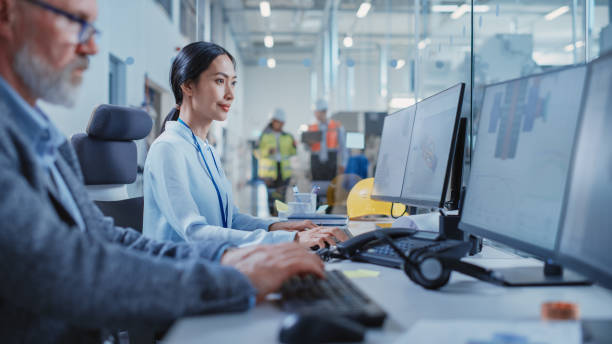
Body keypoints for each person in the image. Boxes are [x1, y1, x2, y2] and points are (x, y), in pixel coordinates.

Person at [0, 0, 325, 341]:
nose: (92, 46)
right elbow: (64, 272)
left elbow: (110, 240)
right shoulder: (167, 149)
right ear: (7, 12)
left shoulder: (48, 141)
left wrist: (234, 257)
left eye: (92, 28)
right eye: (75, 21)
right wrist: (236, 276)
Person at [143, 42, 348, 248]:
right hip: (182, 274)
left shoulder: (206, 151)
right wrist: (291, 240)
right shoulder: (168, 149)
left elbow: (231, 221)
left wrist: (280, 227)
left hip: (211, 267)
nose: (230, 94)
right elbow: (194, 233)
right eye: (220, 81)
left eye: (233, 83)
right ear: (188, 86)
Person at [255, 108, 296, 215]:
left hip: (283, 172)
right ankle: (272, 220)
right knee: (272, 198)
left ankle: (281, 219)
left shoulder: (288, 136)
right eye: (280, 122)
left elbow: (293, 152)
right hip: (269, 173)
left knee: (281, 198)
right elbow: (256, 152)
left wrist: (296, 146)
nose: (282, 125)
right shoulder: (263, 136)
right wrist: (267, 151)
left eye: (283, 123)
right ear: (273, 121)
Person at [306, 99, 348, 181]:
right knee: (316, 189)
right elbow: (307, 148)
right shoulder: (311, 127)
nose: (316, 115)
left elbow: (343, 147)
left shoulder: (336, 126)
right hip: (316, 162)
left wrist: (343, 163)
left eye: (318, 112)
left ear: (324, 111)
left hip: (331, 161)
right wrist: (308, 144)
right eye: (315, 112)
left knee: (330, 189)